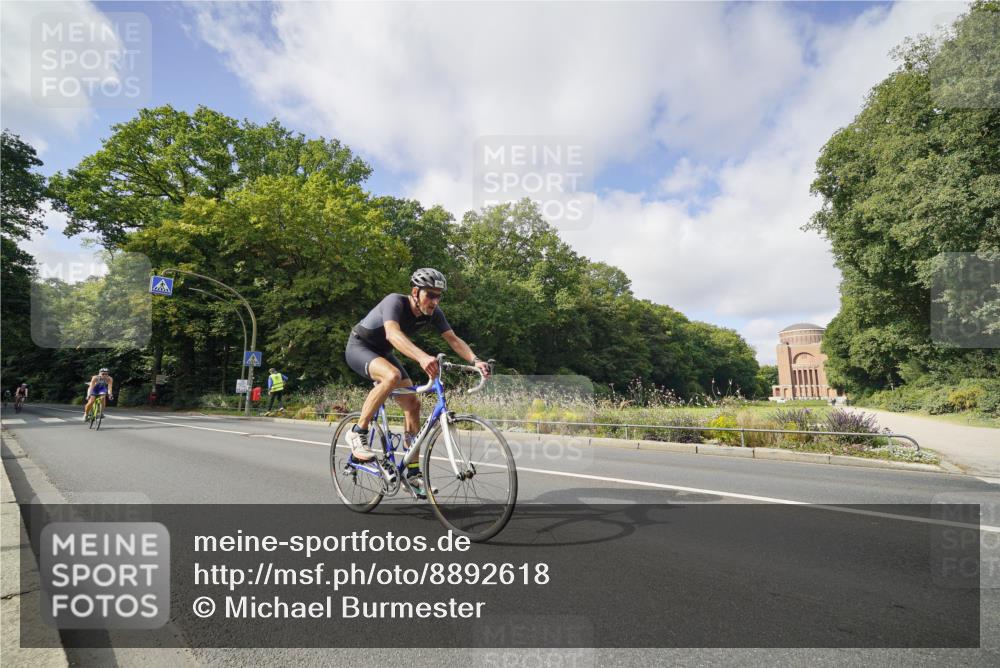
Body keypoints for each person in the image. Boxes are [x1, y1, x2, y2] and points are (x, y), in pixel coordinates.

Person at [344, 268, 489, 494]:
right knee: (390, 376)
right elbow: (392, 334)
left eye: (438, 296)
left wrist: (475, 360)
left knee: (414, 404)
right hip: (360, 347)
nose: (434, 301)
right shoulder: (395, 302)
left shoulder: (434, 312)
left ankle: (412, 473)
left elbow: (452, 339)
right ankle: (357, 432)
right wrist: (422, 357)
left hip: (384, 353)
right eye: (430, 295)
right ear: (415, 292)